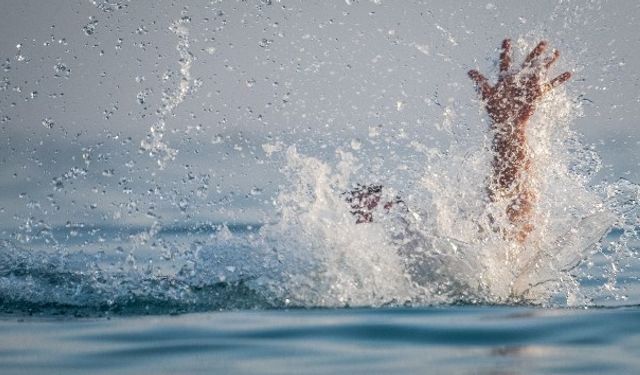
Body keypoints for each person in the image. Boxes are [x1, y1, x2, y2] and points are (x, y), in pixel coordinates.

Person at [346, 39, 571, 243]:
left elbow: (507, 234)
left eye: (366, 212)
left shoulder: (427, 242)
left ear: (390, 206)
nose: (360, 222)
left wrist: (510, 130)